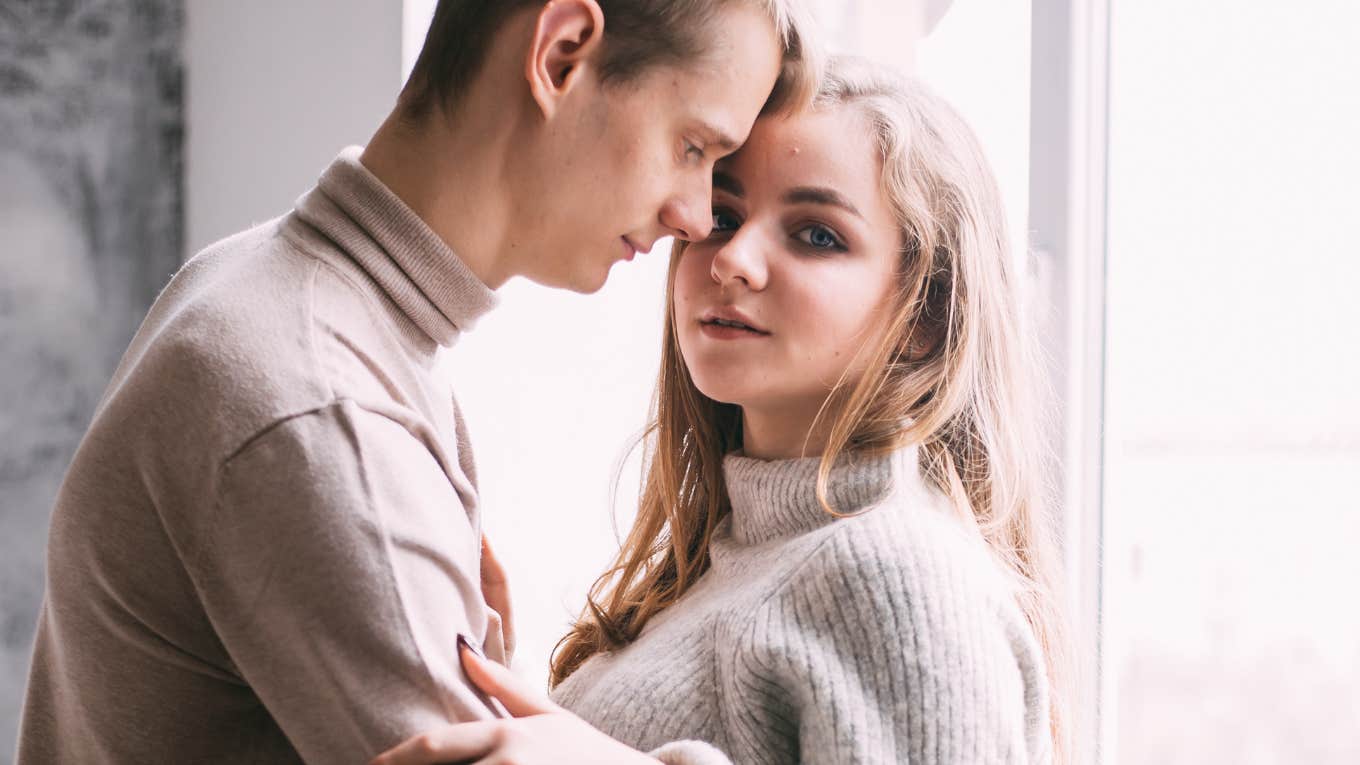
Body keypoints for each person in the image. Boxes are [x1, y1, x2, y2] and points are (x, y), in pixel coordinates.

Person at [14, 2, 819, 763]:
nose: (692, 214)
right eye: (693, 148)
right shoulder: (320, 402)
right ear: (561, 53)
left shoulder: (272, 294)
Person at [373, 57, 1071, 765]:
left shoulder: (900, 577)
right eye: (722, 215)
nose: (734, 257)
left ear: (924, 316)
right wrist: (495, 692)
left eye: (816, 234)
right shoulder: (733, 559)